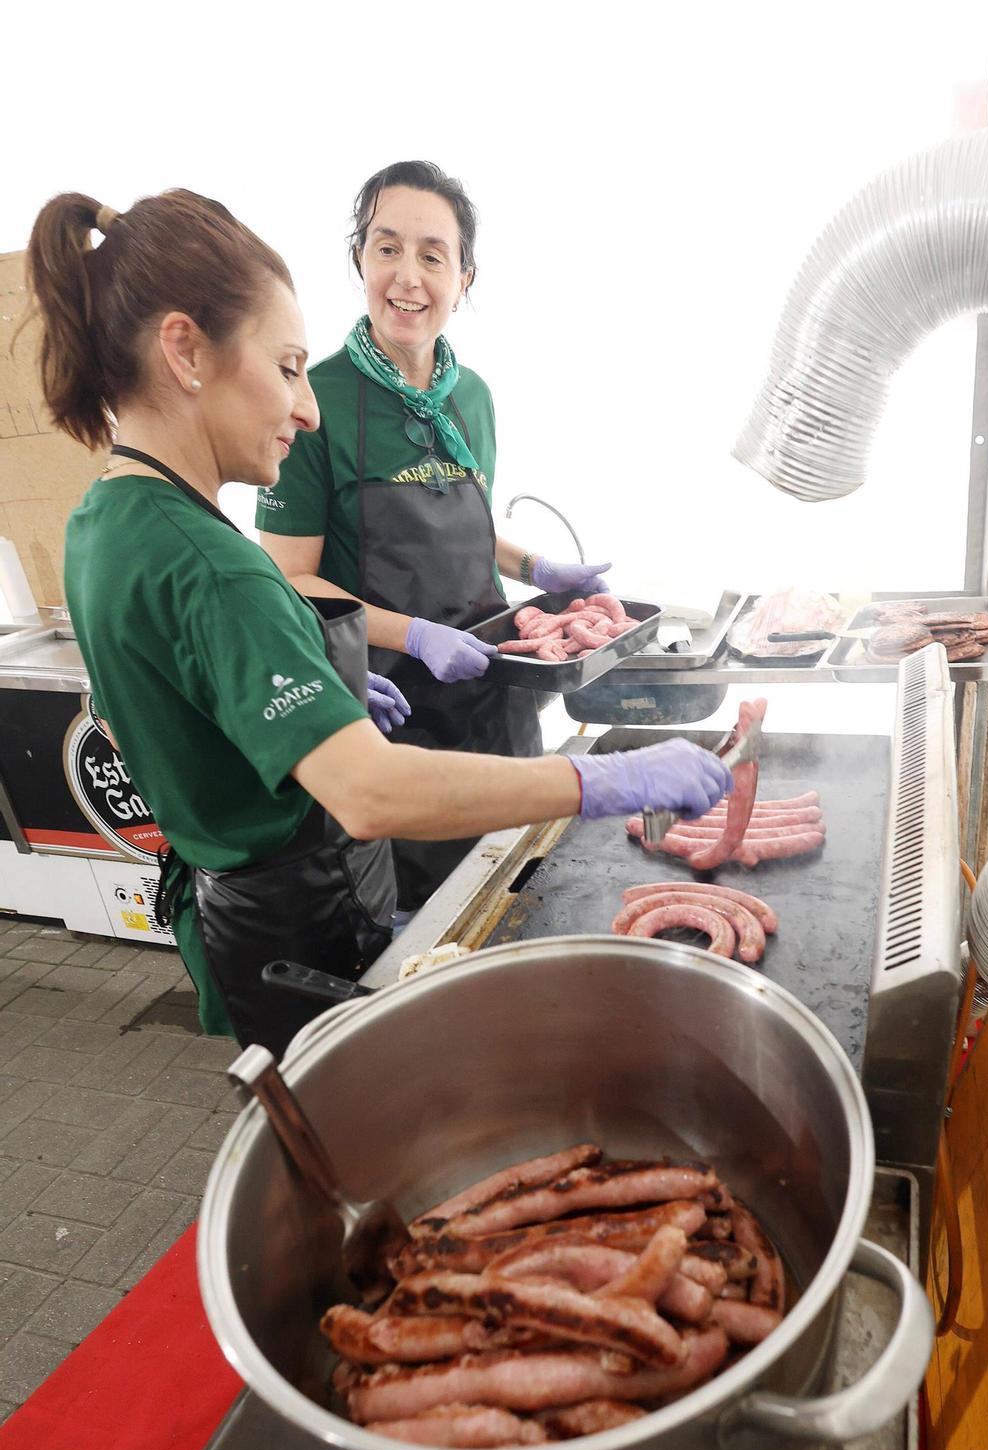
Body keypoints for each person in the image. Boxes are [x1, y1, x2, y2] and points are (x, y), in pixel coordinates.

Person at [28, 188, 731, 1055]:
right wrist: (600, 784)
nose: (307, 406)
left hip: (242, 913)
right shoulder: (214, 564)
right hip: (302, 914)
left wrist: (307, 682)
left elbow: (179, 688)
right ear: (185, 350)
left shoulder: (109, 518)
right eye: (287, 367)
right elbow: (370, 794)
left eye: (435, 255)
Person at [256, 161, 610, 913]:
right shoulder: (314, 402)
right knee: (432, 921)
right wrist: (415, 635)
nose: (407, 277)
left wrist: (537, 563)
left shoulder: (470, 396)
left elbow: (467, 519)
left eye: (431, 254)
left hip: (495, 694)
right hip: (392, 713)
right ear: (359, 260)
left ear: (464, 277)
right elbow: (289, 576)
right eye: (386, 248)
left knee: (525, 888)